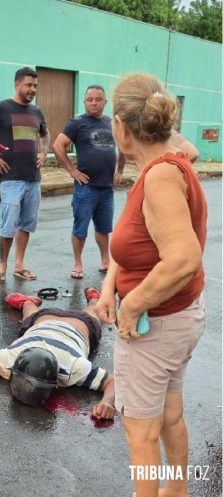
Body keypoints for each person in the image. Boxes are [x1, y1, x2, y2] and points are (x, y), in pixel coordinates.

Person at [94, 73, 207, 497]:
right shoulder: (171, 160)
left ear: (122, 127)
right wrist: (110, 288)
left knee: (140, 437)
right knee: (170, 416)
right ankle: (175, 492)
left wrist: (132, 304)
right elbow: (138, 244)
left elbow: (182, 257)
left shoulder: (159, 177)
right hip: (178, 320)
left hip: (157, 328)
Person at [0, 288, 116, 419]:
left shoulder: (73, 367)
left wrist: (108, 402)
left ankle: (92, 299)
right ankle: (31, 302)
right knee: (33, 318)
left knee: (94, 314)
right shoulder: (10, 358)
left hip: (70, 323)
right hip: (49, 321)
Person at [0, 67, 49, 283]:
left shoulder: (37, 112)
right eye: (29, 85)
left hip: (33, 177)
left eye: (35, 86)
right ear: (17, 84)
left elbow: (45, 135)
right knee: (8, 225)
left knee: (26, 224)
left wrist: (43, 152)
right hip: (10, 177)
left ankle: (19, 265)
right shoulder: (0, 108)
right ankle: (2, 265)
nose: (32, 89)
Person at [51, 85, 117, 279]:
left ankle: (106, 261)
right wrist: (72, 170)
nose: (94, 103)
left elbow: (123, 146)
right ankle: (78, 263)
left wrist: (119, 170)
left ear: (105, 102)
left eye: (98, 99)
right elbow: (57, 145)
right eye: (90, 99)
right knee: (80, 228)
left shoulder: (110, 123)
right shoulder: (77, 123)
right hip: (86, 187)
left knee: (104, 228)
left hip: (106, 187)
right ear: (84, 101)